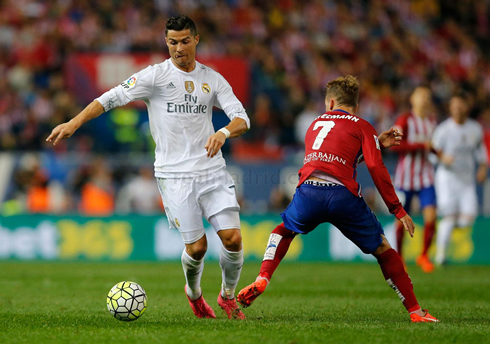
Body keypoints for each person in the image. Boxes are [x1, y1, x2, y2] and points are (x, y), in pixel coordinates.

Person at [47, 15, 249, 320]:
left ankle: (227, 297)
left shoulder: (213, 79)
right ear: (166, 42)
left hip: (212, 171)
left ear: (196, 40)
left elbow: (242, 119)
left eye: (184, 41)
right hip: (174, 175)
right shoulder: (155, 76)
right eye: (172, 42)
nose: (178, 48)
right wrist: (74, 122)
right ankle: (194, 294)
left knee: (233, 239)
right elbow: (110, 98)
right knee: (197, 249)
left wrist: (222, 133)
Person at [237, 76, 439, 323]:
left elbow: (334, 158)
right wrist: (397, 209)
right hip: (342, 195)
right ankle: (416, 312)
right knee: (383, 249)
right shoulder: (363, 125)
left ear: (330, 103)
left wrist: (376, 144)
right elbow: (375, 168)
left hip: (309, 191)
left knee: (282, 231)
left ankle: (262, 278)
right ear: (356, 104)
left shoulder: (314, 124)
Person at [432, 94, 488, 266]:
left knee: (467, 219)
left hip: (467, 180)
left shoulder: (475, 129)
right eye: (454, 106)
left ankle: (445, 226)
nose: (457, 109)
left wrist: (483, 168)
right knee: (449, 215)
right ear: (450, 108)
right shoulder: (443, 130)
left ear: (466, 107)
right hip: (447, 178)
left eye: (460, 106)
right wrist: (442, 158)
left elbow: (481, 152)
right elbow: (432, 152)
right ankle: (440, 256)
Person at [392, 86, 437, 273]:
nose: (424, 99)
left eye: (427, 96)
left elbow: (433, 146)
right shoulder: (405, 120)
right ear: (412, 99)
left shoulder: (432, 123)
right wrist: (420, 145)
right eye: (421, 95)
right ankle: (399, 257)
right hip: (405, 177)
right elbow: (394, 144)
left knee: (431, 216)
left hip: (426, 176)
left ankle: (423, 255)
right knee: (401, 219)